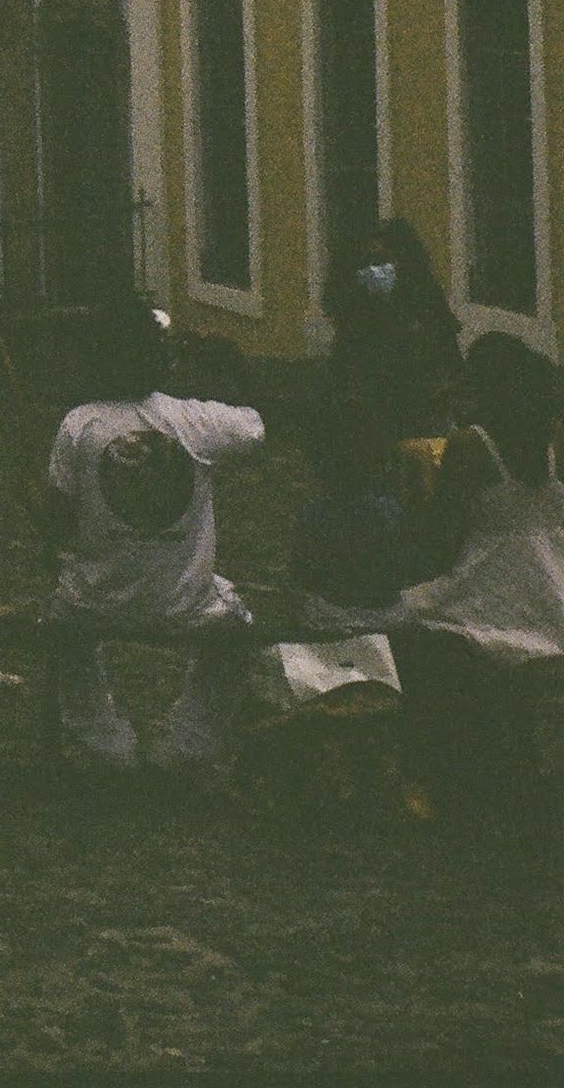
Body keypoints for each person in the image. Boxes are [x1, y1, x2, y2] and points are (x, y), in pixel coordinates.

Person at [39, 296, 264, 769]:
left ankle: (103, 739)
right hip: (184, 603)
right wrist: (226, 360)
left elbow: (58, 524)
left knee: (61, 627)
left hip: (94, 598)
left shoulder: (78, 424)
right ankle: (190, 739)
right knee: (241, 630)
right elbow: (256, 425)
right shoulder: (193, 421)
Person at [389, 332, 564, 830]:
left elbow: (442, 532)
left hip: (489, 586)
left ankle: (443, 772)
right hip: (548, 584)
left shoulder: (474, 445)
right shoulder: (549, 441)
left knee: (415, 625)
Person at [299, 220, 462, 610]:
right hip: (369, 436)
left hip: (421, 431)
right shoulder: (355, 321)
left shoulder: (427, 314)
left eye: (383, 261)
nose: (375, 270)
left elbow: (448, 370)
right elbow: (344, 381)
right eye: (367, 262)